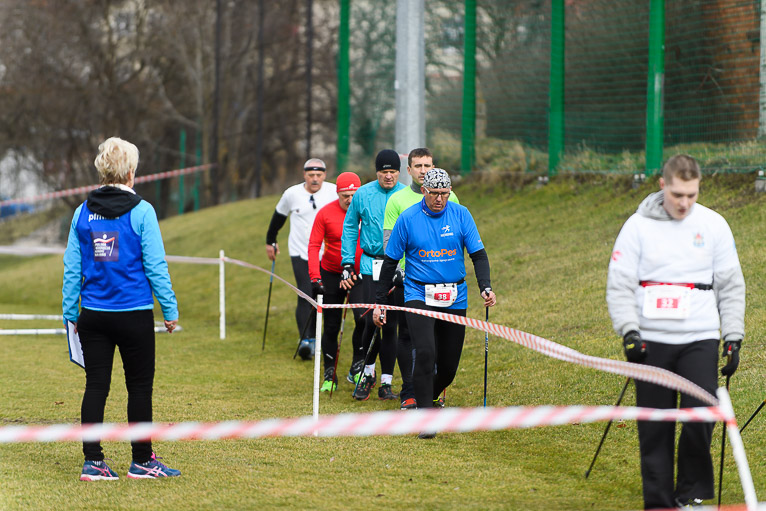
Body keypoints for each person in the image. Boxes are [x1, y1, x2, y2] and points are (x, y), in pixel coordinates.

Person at [606, 154, 745, 509]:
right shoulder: (636, 227)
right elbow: (619, 285)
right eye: (678, 194)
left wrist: (733, 336)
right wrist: (629, 332)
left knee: (701, 415)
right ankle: (659, 502)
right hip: (651, 340)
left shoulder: (714, 225)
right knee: (655, 424)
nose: (684, 203)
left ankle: (690, 493)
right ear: (662, 185)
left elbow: (730, 286)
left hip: (699, 337)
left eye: (692, 195)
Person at [62, 137, 181, 480]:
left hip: (94, 316)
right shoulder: (142, 211)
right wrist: (169, 310)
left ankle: (93, 462)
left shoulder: (81, 212)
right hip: (134, 315)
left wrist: (71, 312)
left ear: (102, 171)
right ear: (131, 173)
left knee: (96, 386)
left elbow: (72, 267)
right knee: (139, 388)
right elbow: (156, 265)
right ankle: (143, 460)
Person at [373, 168, 496, 437]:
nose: (440, 199)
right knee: (426, 353)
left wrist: (485, 286)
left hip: (455, 295)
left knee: (449, 367)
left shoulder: (461, 214)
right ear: (424, 191)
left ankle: (425, 398)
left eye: (445, 193)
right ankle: (426, 418)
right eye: (435, 193)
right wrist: (380, 302)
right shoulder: (408, 219)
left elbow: (479, 255)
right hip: (418, 293)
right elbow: (390, 262)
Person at [383, 148, 461, 409]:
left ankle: (430, 391)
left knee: (437, 346)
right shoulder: (397, 200)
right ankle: (409, 392)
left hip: (443, 284)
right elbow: (389, 244)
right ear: (410, 169)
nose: (424, 170)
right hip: (407, 280)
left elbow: (454, 235)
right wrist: (395, 275)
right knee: (409, 337)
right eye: (418, 166)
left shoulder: (453, 199)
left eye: (428, 165)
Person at [340, 149, 405, 400]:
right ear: (376, 172)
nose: (388, 176)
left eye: (392, 172)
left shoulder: (405, 195)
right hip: (370, 264)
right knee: (369, 320)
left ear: (399, 172)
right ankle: (367, 373)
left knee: (390, 324)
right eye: (383, 172)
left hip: (397, 265)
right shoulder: (363, 194)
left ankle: (386, 382)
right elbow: (349, 227)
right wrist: (347, 262)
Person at [265, 158, 337, 360]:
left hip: (326, 254)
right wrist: (271, 241)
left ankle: (316, 339)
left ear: (324, 175)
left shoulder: (333, 192)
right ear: (304, 174)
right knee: (305, 293)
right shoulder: (292, 194)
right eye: (311, 175)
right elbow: (278, 218)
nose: (315, 179)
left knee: (319, 295)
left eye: (319, 175)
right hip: (300, 251)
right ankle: (306, 341)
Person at [307, 172, 366, 392]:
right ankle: (329, 373)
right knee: (331, 325)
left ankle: (357, 368)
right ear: (337, 193)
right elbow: (314, 246)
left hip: (360, 275)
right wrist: (315, 277)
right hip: (332, 273)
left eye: (353, 195)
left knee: (362, 320)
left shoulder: (366, 211)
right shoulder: (325, 213)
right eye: (345, 196)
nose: (350, 200)